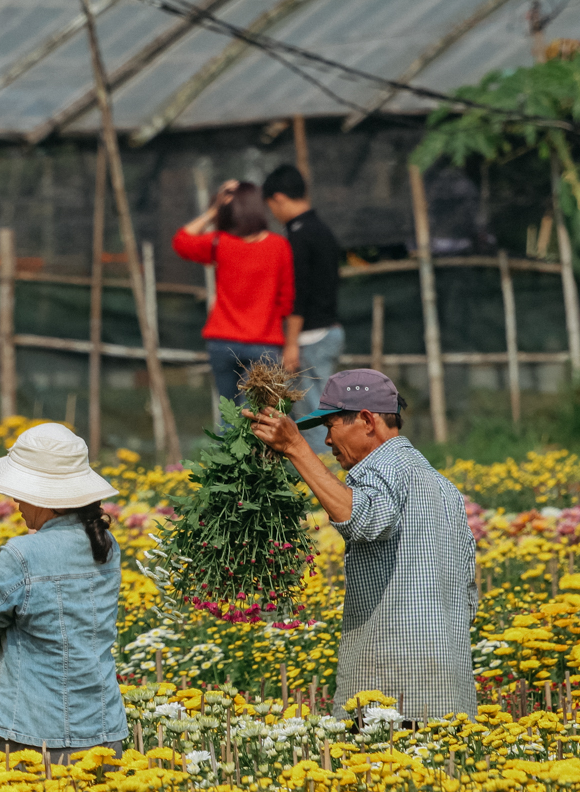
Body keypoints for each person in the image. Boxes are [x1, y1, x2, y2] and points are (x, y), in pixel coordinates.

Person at [245, 369, 477, 721]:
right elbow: (469, 594)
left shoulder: (380, 466)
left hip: (394, 694)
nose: (326, 441)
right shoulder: (442, 487)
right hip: (448, 691)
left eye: (331, 426)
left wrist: (295, 449)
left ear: (367, 421)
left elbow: (363, 519)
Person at [0, 423, 127, 761]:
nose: (15, 500)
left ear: (44, 496)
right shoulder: (107, 545)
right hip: (103, 729)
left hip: (32, 737)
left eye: (20, 490)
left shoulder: (21, 555)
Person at [173, 180, 295, 405]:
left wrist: (212, 211)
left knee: (228, 414)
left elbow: (182, 240)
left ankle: (225, 441)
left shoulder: (220, 243)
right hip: (264, 343)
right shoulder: (278, 246)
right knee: (257, 416)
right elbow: (287, 300)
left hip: (222, 341)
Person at [263, 164, 345, 449]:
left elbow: (299, 294)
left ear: (279, 199)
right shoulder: (321, 230)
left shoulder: (299, 235)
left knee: (313, 419)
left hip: (311, 336)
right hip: (328, 329)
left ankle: (323, 483)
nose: (273, 213)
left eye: (271, 205)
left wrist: (291, 343)